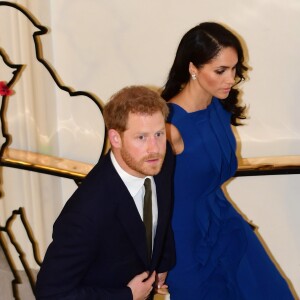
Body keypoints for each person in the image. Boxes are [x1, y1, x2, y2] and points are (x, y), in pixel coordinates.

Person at [161, 22, 295, 299]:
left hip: (224, 223)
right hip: (185, 242)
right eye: (220, 70)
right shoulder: (168, 125)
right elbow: (133, 190)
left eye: (234, 69)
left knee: (274, 293)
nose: (230, 79)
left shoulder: (218, 108)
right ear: (192, 68)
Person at [35, 85, 176, 300]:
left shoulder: (160, 162)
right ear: (115, 138)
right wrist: (127, 295)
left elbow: (161, 214)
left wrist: (162, 262)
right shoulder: (87, 210)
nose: (154, 147)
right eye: (141, 137)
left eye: (158, 134)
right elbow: (51, 293)